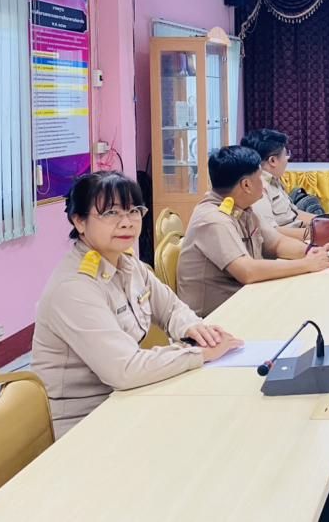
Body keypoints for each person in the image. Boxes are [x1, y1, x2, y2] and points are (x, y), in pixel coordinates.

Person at [32, 172, 244, 438]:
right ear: (79, 221)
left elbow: (171, 308)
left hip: (125, 398)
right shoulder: (74, 288)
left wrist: (194, 330)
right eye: (111, 213)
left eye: (133, 211)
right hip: (83, 422)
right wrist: (197, 354)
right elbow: (125, 370)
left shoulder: (127, 263)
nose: (126, 223)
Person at [176, 146, 329, 317]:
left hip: (245, 301)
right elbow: (247, 271)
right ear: (246, 185)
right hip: (215, 319)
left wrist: (313, 252)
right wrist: (307, 264)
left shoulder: (242, 208)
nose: (263, 184)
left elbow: (277, 243)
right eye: (260, 178)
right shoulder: (213, 219)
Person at [241, 128, 316, 242]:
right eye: (286, 155)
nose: (287, 159)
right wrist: (318, 233)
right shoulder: (258, 187)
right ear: (273, 161)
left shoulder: (273, 180)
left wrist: (327, 221)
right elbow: (269, 232)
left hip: (299, 236)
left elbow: (293, 214)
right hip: (286, 243)